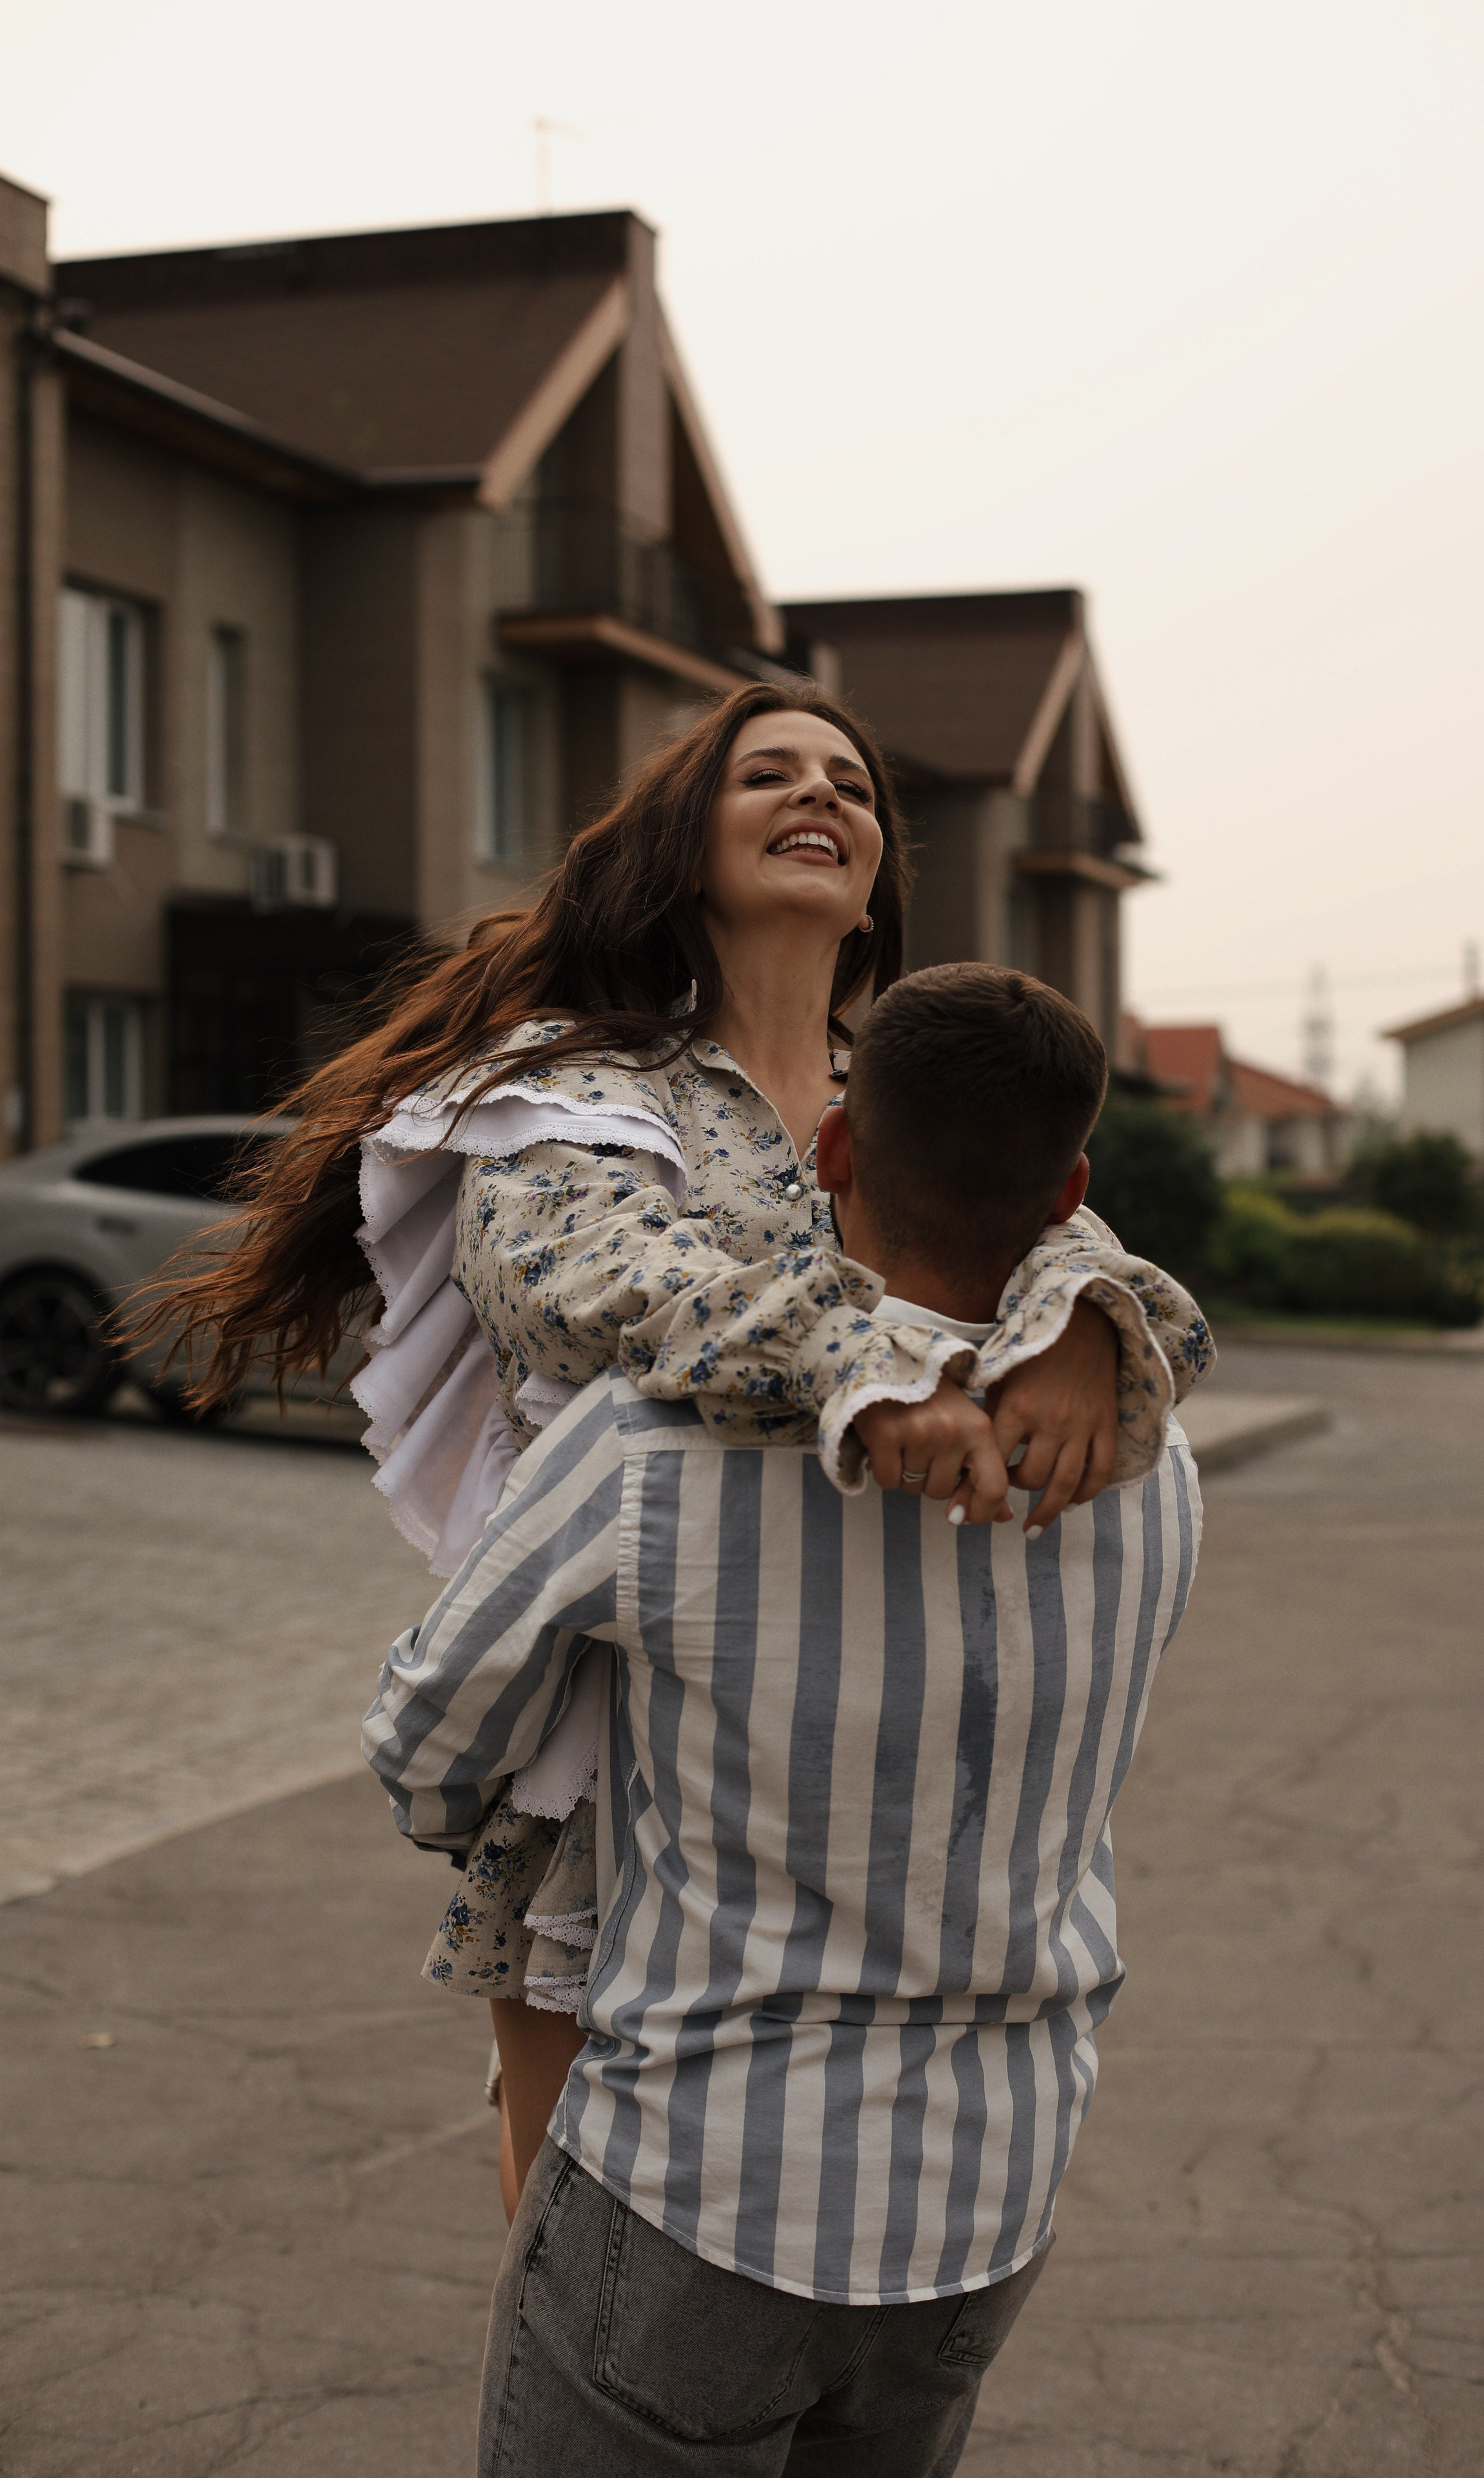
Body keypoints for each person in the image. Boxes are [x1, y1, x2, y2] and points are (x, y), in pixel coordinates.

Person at [155, 681, 1211, 2217]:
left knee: (849, 2200)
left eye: (850, 782)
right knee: (583, 2214)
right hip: (628, 1730)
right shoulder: (572, 1089)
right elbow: (589, 1292)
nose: (822, 795)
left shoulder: (900, 1097)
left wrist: (1087, 1325)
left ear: (874, 889)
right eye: (768, 774)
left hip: (863, 1736)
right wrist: (872, 1366)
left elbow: (1133, 1290)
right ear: (681, 845)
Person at [366, 963, 1203, 2477]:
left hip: (699, 2179)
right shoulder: (1154, 1469)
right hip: (989, 2192)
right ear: (1071, 1185)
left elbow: (423, 1738)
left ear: (826, 1151)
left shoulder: (649, 1448)